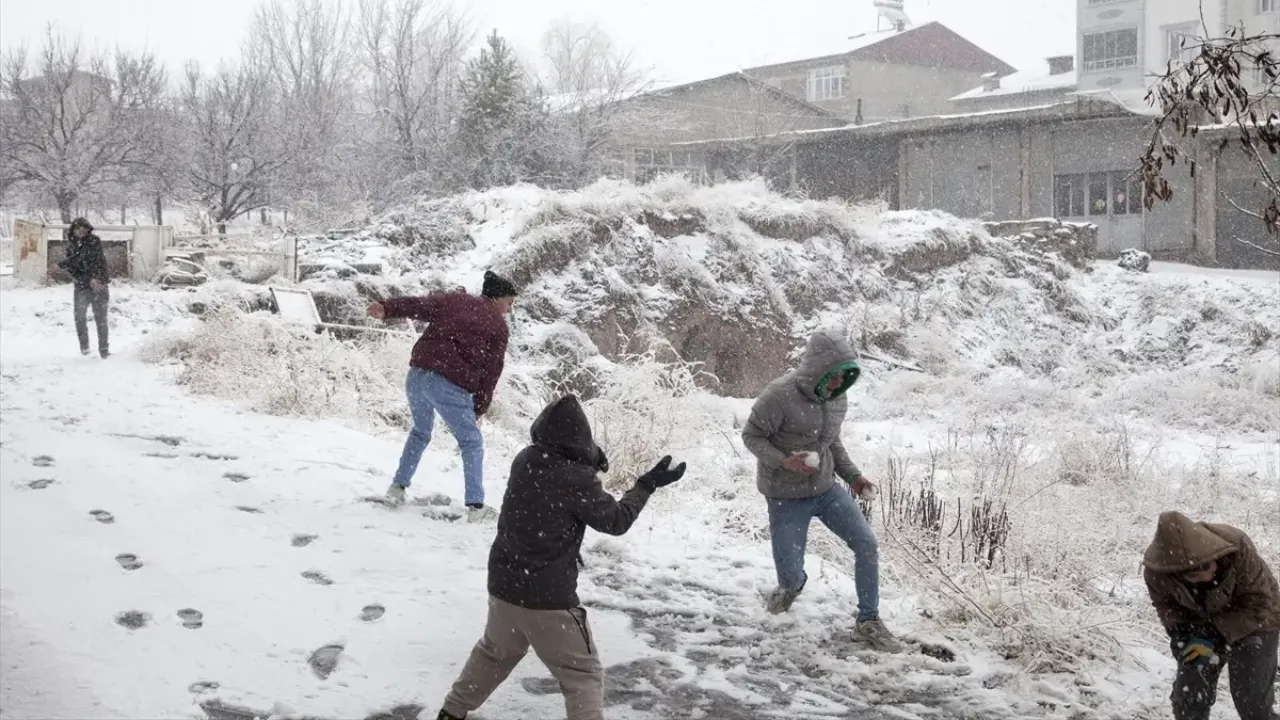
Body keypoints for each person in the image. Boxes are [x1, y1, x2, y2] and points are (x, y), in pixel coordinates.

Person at [436, 394, 686, 720]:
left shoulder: (525, 460)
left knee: (494, 654)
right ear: (581, 440)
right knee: (582, 675)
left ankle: (451, 712)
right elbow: (616, 520)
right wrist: (646, 484)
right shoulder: (576, 479)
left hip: (504, 587)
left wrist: (590, 461)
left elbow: (555, 482)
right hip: (548, 599)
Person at [741, 328, 902, 653]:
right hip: (785, 496)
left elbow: (831, 442)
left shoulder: (837, 398)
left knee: (867, 544)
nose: (837, 385)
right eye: (832, 377)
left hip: (826, 490)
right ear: (817, 369)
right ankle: (789, 588)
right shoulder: (779, 395)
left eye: (845, 377)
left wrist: (854, 478)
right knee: (790, 578)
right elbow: (751, 436)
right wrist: (785, 461)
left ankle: (868, 620)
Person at [367, 270, 516, 520]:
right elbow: (492, 371)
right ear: (498, 298)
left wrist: (386, 308)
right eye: (510, 303)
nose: (510, 310)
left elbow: (418, 305)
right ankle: (476, 508)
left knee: (420, 431)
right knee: (471, 442)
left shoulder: (455, 300)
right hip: (446, 382)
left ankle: (397, 488)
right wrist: (479, 407)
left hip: (417, 375)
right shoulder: (498, 326)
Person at [1141, 511, 1280, 720]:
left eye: (1206, 566)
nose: (1205, 575)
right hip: (1200, 623)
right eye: (1193, 575)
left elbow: (1259, 603)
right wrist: (1181, 633)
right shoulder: (1156, 570)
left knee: (1251, 701)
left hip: (1257, 620)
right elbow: (1166, 606)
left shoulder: (1236, 546)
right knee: (1188, 697)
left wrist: (1214, 634)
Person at [56, 218, 110, 358]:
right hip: (82, 287)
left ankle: (104, 351)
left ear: (88, 230)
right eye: (78, 229)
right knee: (79, 318)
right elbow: (74, 270)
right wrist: (87, 279)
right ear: (73, 230)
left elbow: (88, 259)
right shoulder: (71, 246)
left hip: (99, 285)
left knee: (101, 320)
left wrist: (62, 264)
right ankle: (84, 350)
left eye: (84, 229)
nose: (81, 232)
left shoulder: (94, 242)